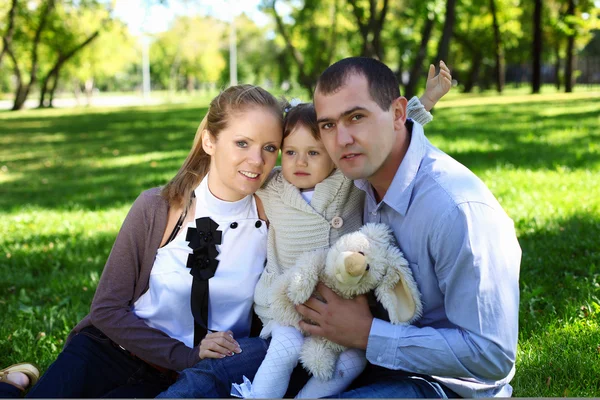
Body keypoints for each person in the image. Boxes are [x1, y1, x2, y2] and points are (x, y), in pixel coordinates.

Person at [160, 63, 451, 399]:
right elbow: (235, 170)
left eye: (314, 153)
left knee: (353, 361)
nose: (300, 162)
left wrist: (427, 101)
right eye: (291, 153)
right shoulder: (272, 185)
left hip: (345, 305)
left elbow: (392, 130)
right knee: (283, 350)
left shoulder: (346, 179)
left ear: (331, 154)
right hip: (288, 304)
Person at [0, 84, 285, 398]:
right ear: (209, 141)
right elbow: (107, 309)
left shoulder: (275, 219)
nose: (257, 160)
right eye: (242, 143)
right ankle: (12, 385)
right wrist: (185, 354)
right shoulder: (158, 208)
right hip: (111, 350)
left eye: (270, 147)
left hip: (183, 379)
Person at [294, 57, 521, 398]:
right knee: (225, 371)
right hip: (359, 355)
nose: (341, 139)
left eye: (356, 117)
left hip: (442, 384)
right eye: (327, 125)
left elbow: (491, 355)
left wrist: (367, 334)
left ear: (398, 114)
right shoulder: (357, 177)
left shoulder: (458, 210)